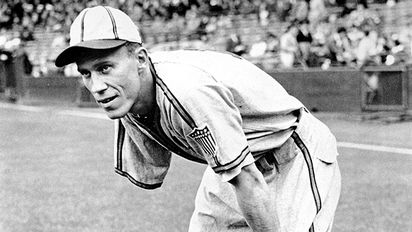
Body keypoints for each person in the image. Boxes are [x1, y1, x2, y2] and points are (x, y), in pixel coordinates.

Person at [55, 6, 341, 232]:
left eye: (105, 67)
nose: (96, 86)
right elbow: (155, 170)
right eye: (86, 73)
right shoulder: (126, 99)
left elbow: (249, 182)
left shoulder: (189, 91)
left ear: (140, 59)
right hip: (235, 163)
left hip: (292, 154)